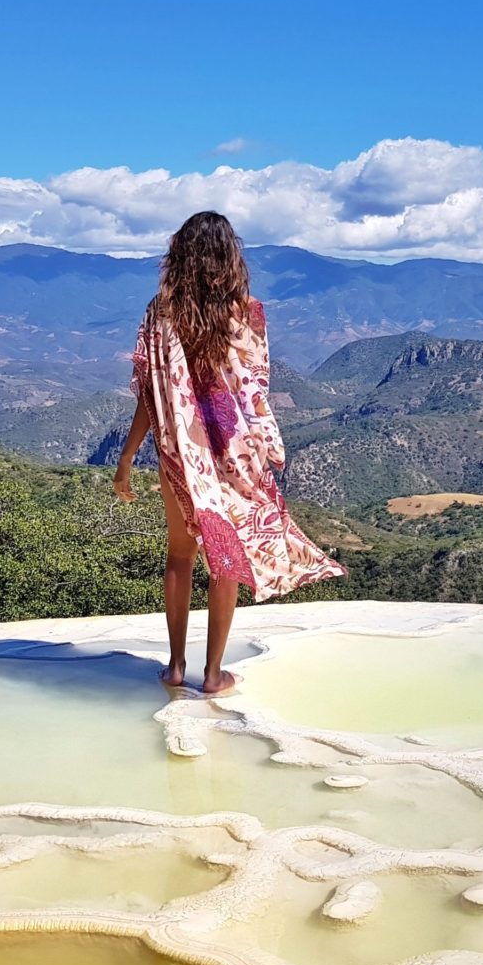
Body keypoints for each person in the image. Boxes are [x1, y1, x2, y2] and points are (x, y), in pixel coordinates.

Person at [113, 211, 348, 695]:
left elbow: (149, 394)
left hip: (181, 453)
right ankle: (214, 674)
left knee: (180, 555)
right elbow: (256, 390)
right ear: (229, 255)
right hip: (233, 453)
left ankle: (176, 666)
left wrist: (126, 458)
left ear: (180, 254)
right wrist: (267, 445)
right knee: (227, 557)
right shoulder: (247, 311)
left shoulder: (161, 311)